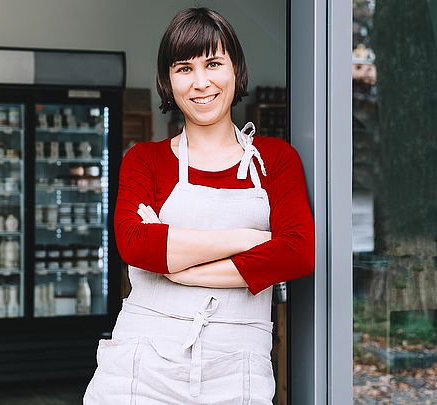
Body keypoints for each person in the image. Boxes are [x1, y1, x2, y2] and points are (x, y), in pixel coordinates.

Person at [84, 7, 314, 404]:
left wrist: (180, 270)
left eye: (213, 63)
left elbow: (297, 253)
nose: (201, 82)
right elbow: (136, 244)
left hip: (238, 370)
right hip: (141, 368)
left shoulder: (276, 160)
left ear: (236, 70)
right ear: (167, 81)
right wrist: (247, 239)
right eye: (184, 68)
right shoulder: (145, 160)